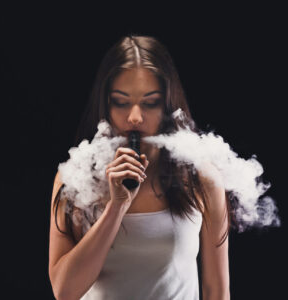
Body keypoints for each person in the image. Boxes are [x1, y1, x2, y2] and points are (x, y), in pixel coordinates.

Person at [48, 34, 231, 300]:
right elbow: (64, 291)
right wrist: (116, 207)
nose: (134, 117)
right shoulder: (76, 177)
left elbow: (217, 292)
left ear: (168, 106)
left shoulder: (201, 178)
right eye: (121, 102)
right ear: (106, 105)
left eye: (150, 102)